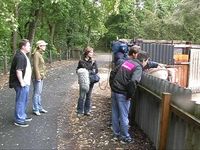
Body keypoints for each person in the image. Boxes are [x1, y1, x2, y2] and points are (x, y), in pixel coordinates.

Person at [109, 50, 149, 144]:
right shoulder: (138, 67)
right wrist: (129, 95)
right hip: (122, 93)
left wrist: (112, 86)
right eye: (147, 62)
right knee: (124, 115)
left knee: (115, 113)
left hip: (115, 91)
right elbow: (133, 81)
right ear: (144, 60)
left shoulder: (127, 62)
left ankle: (116, 134)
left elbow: (113, 72)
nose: (146, 64)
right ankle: (125, 137)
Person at [9, 39, 32, 127]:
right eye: (28, 45)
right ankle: (19, 119)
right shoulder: (20, 56)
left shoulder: (23, 55)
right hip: (20, 83)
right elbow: (18, 70)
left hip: (25, 82)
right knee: (20, 101)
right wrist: (22, 82)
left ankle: (22, 115)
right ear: (23, 46)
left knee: (24, 100)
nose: (30, 47)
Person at [76, 46, 99, 117]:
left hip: (91, 81)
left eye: (92, 52)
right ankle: (79, 111)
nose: (92, 53)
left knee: (88, 96)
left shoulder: (93, 61)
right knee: (82, 96)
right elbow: (78, 70)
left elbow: (96, 71)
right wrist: (85, 71)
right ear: (87, 53)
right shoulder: (81, 61)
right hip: (83, 82)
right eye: (91, 52)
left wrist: (89, 72)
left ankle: (87, 110)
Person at [32, 40, 48, 116]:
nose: (45, 46)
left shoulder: (40, 54)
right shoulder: (36, 54)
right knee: (36, 93)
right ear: (39, 46)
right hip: (37, 77)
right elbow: (35, 66)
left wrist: (42, 75)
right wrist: (38, 76)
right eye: (44, 45)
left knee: (39, 93)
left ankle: (40, 107)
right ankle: (35, 109)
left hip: (41, 76)